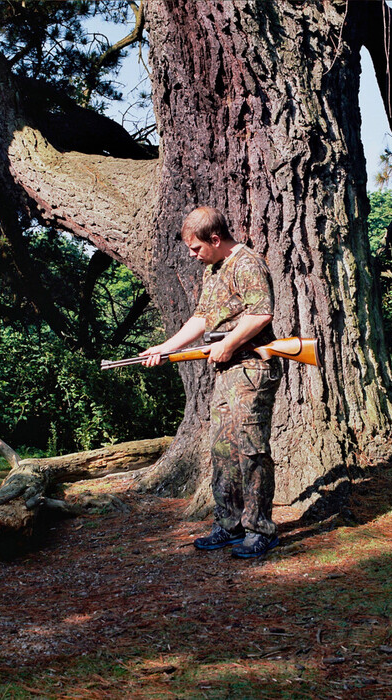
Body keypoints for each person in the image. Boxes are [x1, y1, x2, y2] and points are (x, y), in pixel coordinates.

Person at [140, 206, 281, 558]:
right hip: (228, 372)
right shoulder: (213, 269)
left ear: (215, 239)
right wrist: (165, 347)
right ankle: (229, 524)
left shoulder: (247, 263)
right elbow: (202, 319)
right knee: (223, 450)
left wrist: (230, 343)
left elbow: (262, 313)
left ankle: (260, 529)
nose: (192, 255)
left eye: (196, 248)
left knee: (250, 450)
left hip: (252, 369)